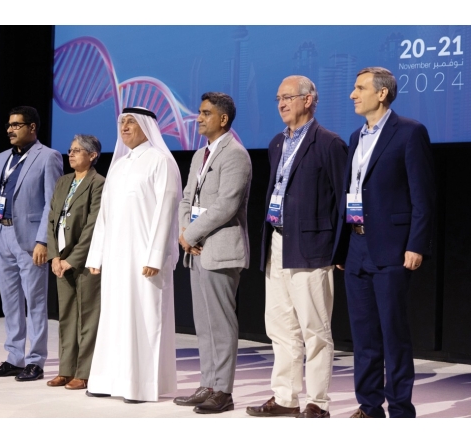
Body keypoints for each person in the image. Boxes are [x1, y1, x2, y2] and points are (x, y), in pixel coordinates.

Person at [333, 67, 435, 418]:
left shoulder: (409, 133)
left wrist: (416, 244)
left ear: (382, 94)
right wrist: (343, 246)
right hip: (357, 247)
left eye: (359, 88)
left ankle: (401, 409)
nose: (352, 94)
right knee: (363, 336)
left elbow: (422, 196)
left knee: (393, 334)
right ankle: (370, 406)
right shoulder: (355, 137)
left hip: (392, 246)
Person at [246, 76, 347, 418]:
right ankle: (285, 397)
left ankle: (318, 400)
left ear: (308, 100)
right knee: (280, 326)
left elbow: (341, 203)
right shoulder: (277, 143)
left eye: (288, 97)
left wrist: (338, 250)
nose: (281, 104)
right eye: (278, 98)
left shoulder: (329, 143)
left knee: (314, 329)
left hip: (312, 246)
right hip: (277, 242)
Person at [84, 107, 181, 403]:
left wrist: (154, 257)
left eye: (131, 122)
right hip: (115, 257)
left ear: (146, 126)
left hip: (143, 258)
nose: (124, 127)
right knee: (114, 317)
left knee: (144, 317)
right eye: (121, 122)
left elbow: (167, 212)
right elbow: (105, 216)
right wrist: (96, 255)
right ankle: (108, 379)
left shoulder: (161, 162)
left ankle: (139, 385)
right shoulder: (119, 165)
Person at [175, 92, 252, 414]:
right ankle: (208, 383)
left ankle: (223, 390)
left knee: (220, 322)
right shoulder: (200, 155)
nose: (199, 118)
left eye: (206, 113)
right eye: (199, 112)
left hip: (219, 248)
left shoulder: (235, 154)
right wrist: (183, 233)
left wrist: (191, 233)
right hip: (196, 248)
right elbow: (186, 199)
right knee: (204, 322)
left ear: (223, 119)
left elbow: (227, 204)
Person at [0, 106, 63, 381]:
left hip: (30, 240)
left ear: (32, 128)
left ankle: (36, 360)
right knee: (10, 302)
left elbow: (53, 204)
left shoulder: (48, 156)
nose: (10, 129)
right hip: (3, 236)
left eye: (16, 125)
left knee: (36, 302)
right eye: (9, 125)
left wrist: (44, 241)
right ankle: (15, 357)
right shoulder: (3, 157)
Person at [46, 135, 104, 390]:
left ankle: (85, 372)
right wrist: (55, 256)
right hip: (61, 260)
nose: (70, 154)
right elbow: (51, 220)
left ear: (92, 156)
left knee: (87, 317)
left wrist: (72, 259)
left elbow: (93, 226)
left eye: (77, 151)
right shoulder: (63, 182)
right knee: (67, 317)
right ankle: (66, 369)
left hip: (85, 261)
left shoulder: (98, 183)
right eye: (69, 150)